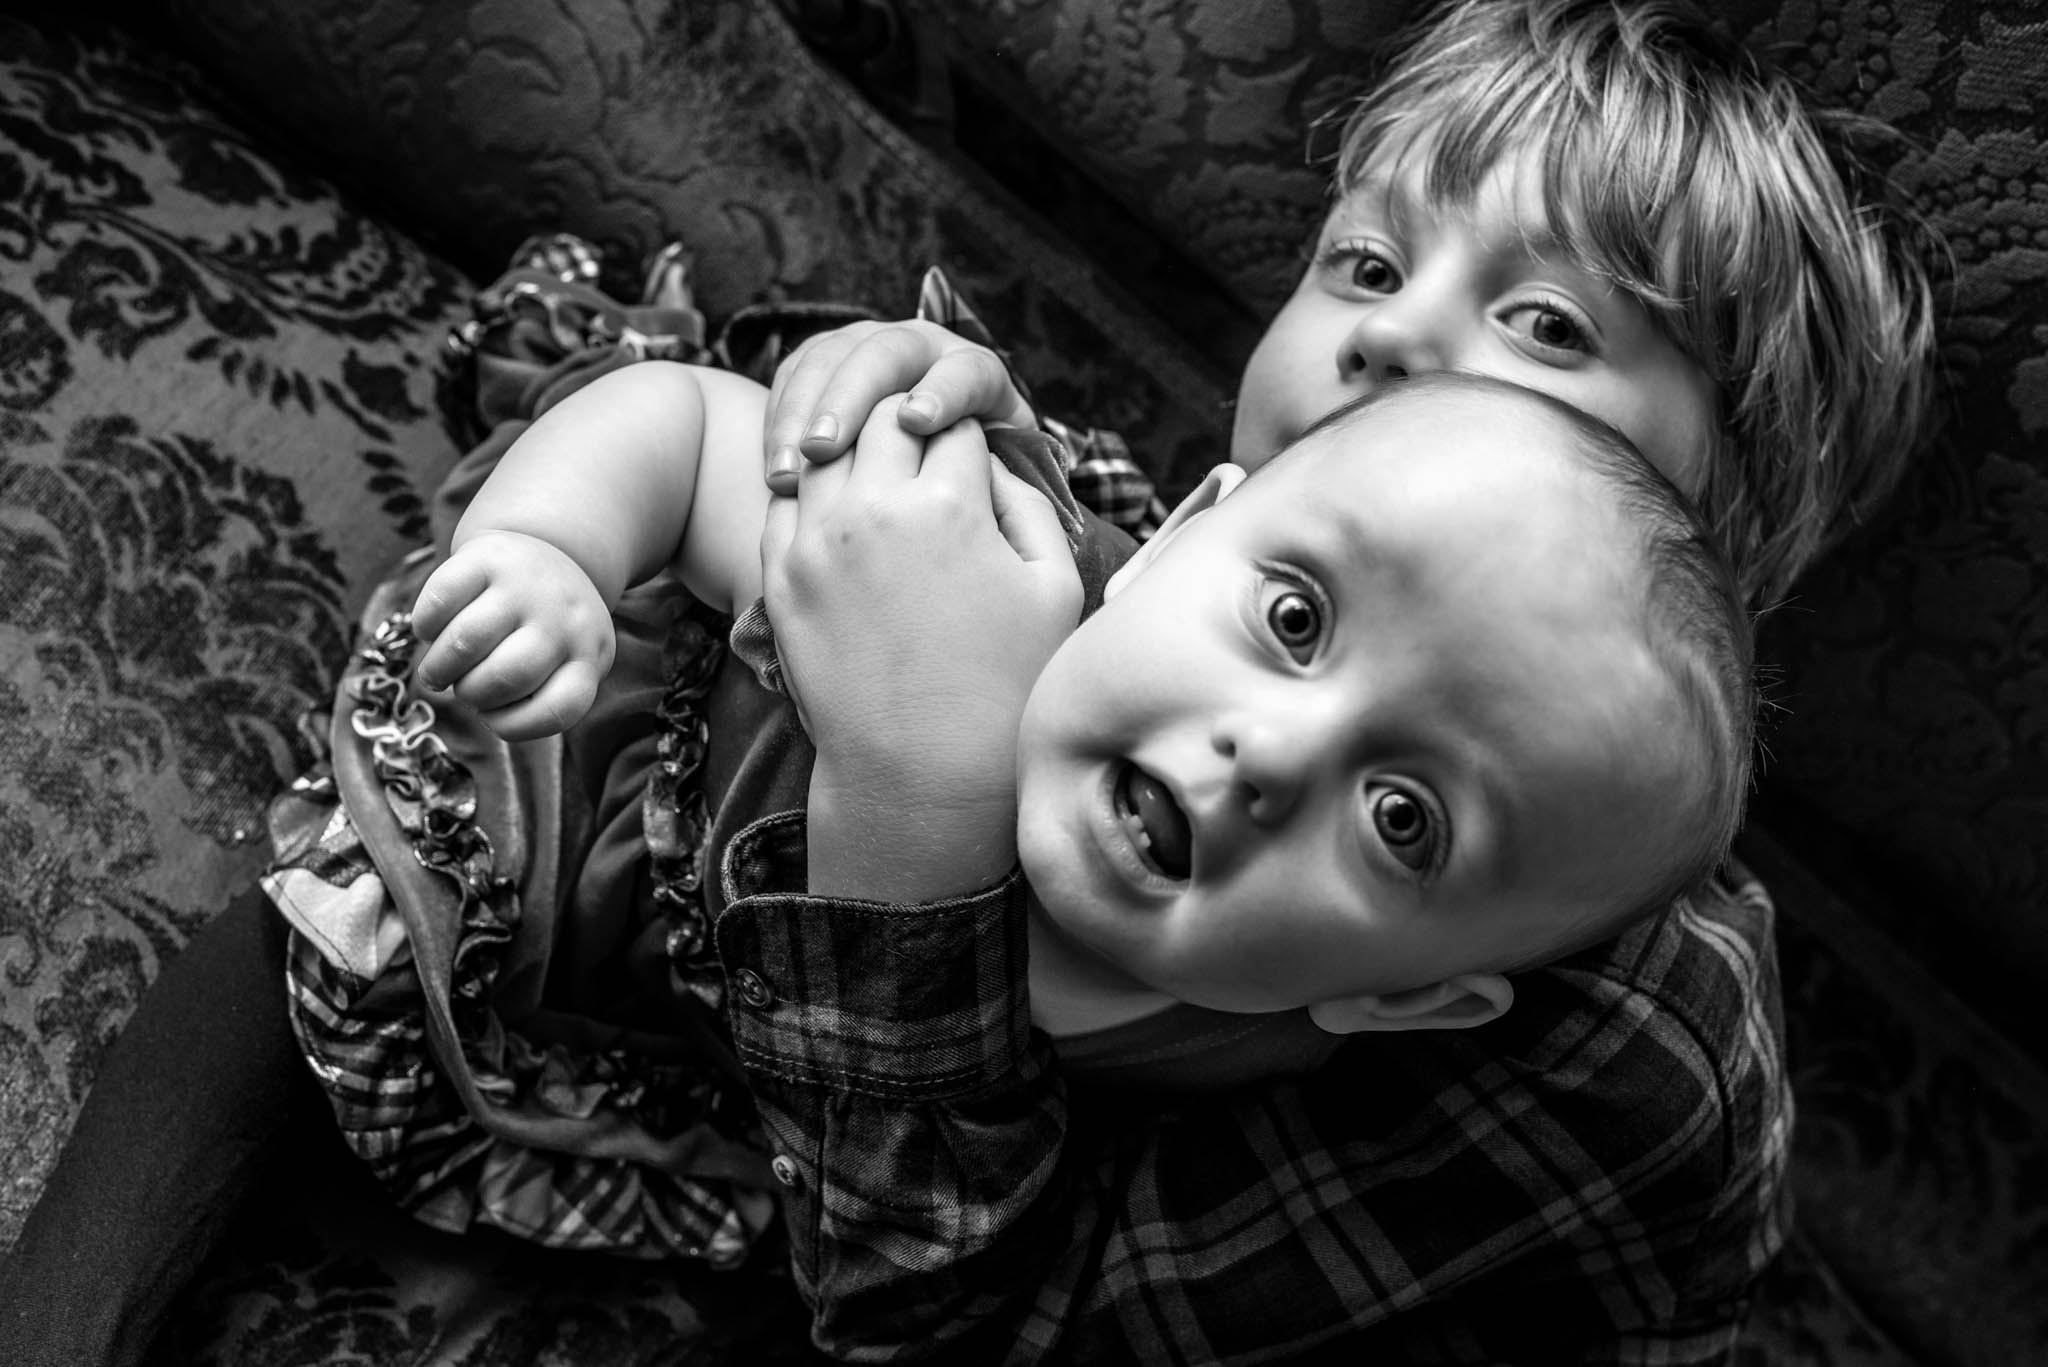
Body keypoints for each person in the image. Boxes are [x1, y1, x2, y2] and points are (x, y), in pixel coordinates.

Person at [0, 0, 1934, 1360]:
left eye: (1539, 325)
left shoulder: (1608, 1062)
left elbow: (979, 1316)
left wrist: (923, 814)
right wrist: (567, 558)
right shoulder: (1117, 568)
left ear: (1715, 518)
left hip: (1008, 1241)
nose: (1392, 348)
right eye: (1361, 263)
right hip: (776, 1014)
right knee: (337, 926)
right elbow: (688, 444)